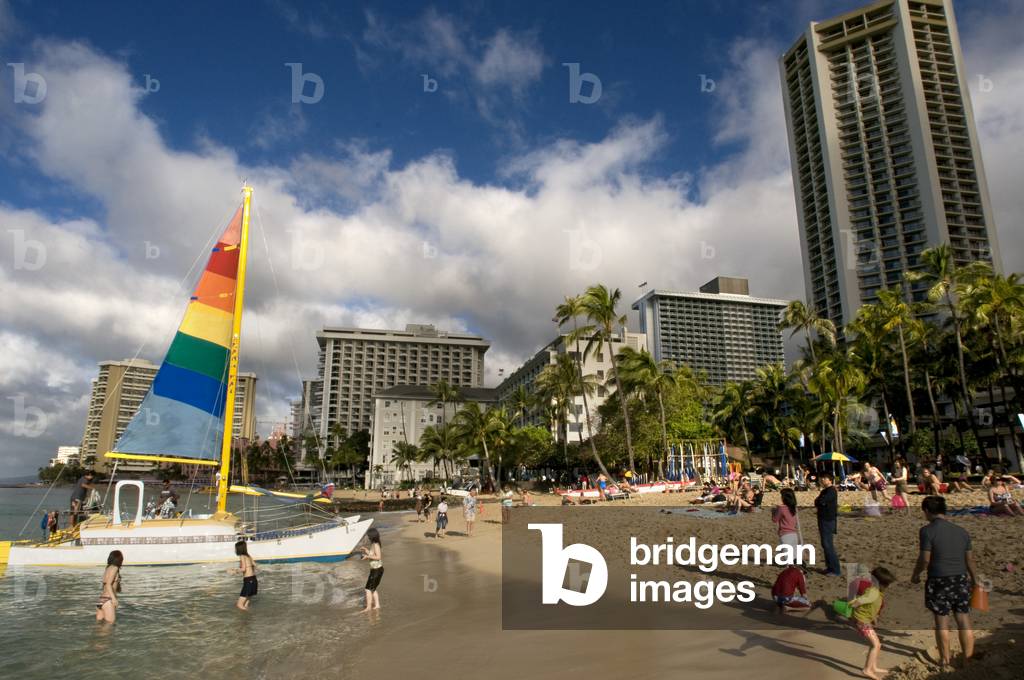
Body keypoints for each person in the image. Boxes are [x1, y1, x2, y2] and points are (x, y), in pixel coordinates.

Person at [911, 496, 977, 669]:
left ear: (926, 511)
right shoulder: (962, 531)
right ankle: (967, 660)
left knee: (942, 622)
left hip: (939, 579)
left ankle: (945, 660)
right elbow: (970, 560)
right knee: (963, 619)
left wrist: (916, 574)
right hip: (961, 579)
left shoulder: (927, 531)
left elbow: (925, 559)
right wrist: (975, 580)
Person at [845, 566, 897, 680]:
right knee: (876, 645)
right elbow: (860, 601)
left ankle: (873, 667)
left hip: (865, 620)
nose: (887, 587)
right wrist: (852, 604)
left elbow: (872, 605)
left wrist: (874, 617)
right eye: (886, 584)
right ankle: (867, 670)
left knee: (875, 644)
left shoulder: (876, 592)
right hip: (862, 622)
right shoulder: (873, 593)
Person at [815, 472, 841, 576]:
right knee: (825, 544)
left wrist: (820, 502)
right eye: (821, 478)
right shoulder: (825, 491)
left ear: (830, 480)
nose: (822, 480)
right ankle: (830, 567)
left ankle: (835, 569)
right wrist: (819, 502)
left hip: (828, 520)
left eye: (824, 478)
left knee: (828, 545)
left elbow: (821, 501)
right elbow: (817, 501)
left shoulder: (831, 490)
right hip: (823, 519)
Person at [95, 550, 123, 624]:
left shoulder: (108, 568)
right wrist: (114, 599)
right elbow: (108, 584)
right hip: (108, 599)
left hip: (101, 600)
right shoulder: (115, 568)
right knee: (109, 626)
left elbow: (105, 584)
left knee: (99, 626)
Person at [359, 528, 383, 612]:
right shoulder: (373, 544)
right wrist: (366, 550)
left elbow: (378, 557)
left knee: (368, 589)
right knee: (373, 589)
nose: (368, 537)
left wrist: (367, 556)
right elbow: (373, 554)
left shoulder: (376, 544)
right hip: (376, 569)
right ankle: (377, 605)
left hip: (377, 570)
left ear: (372, 536)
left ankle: (368, 607)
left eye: (368, 535)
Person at [232, 540, 258, 611]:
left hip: (248, 581)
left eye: (235, 548)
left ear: (239, 548)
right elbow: (255, 565)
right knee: (245, 605)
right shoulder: (248, 556)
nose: (235, 550)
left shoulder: (242, 556)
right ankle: (248, 619)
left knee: (239, 605)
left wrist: (234, 571)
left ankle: (250, 615)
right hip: (254, 580)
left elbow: (243, 569)